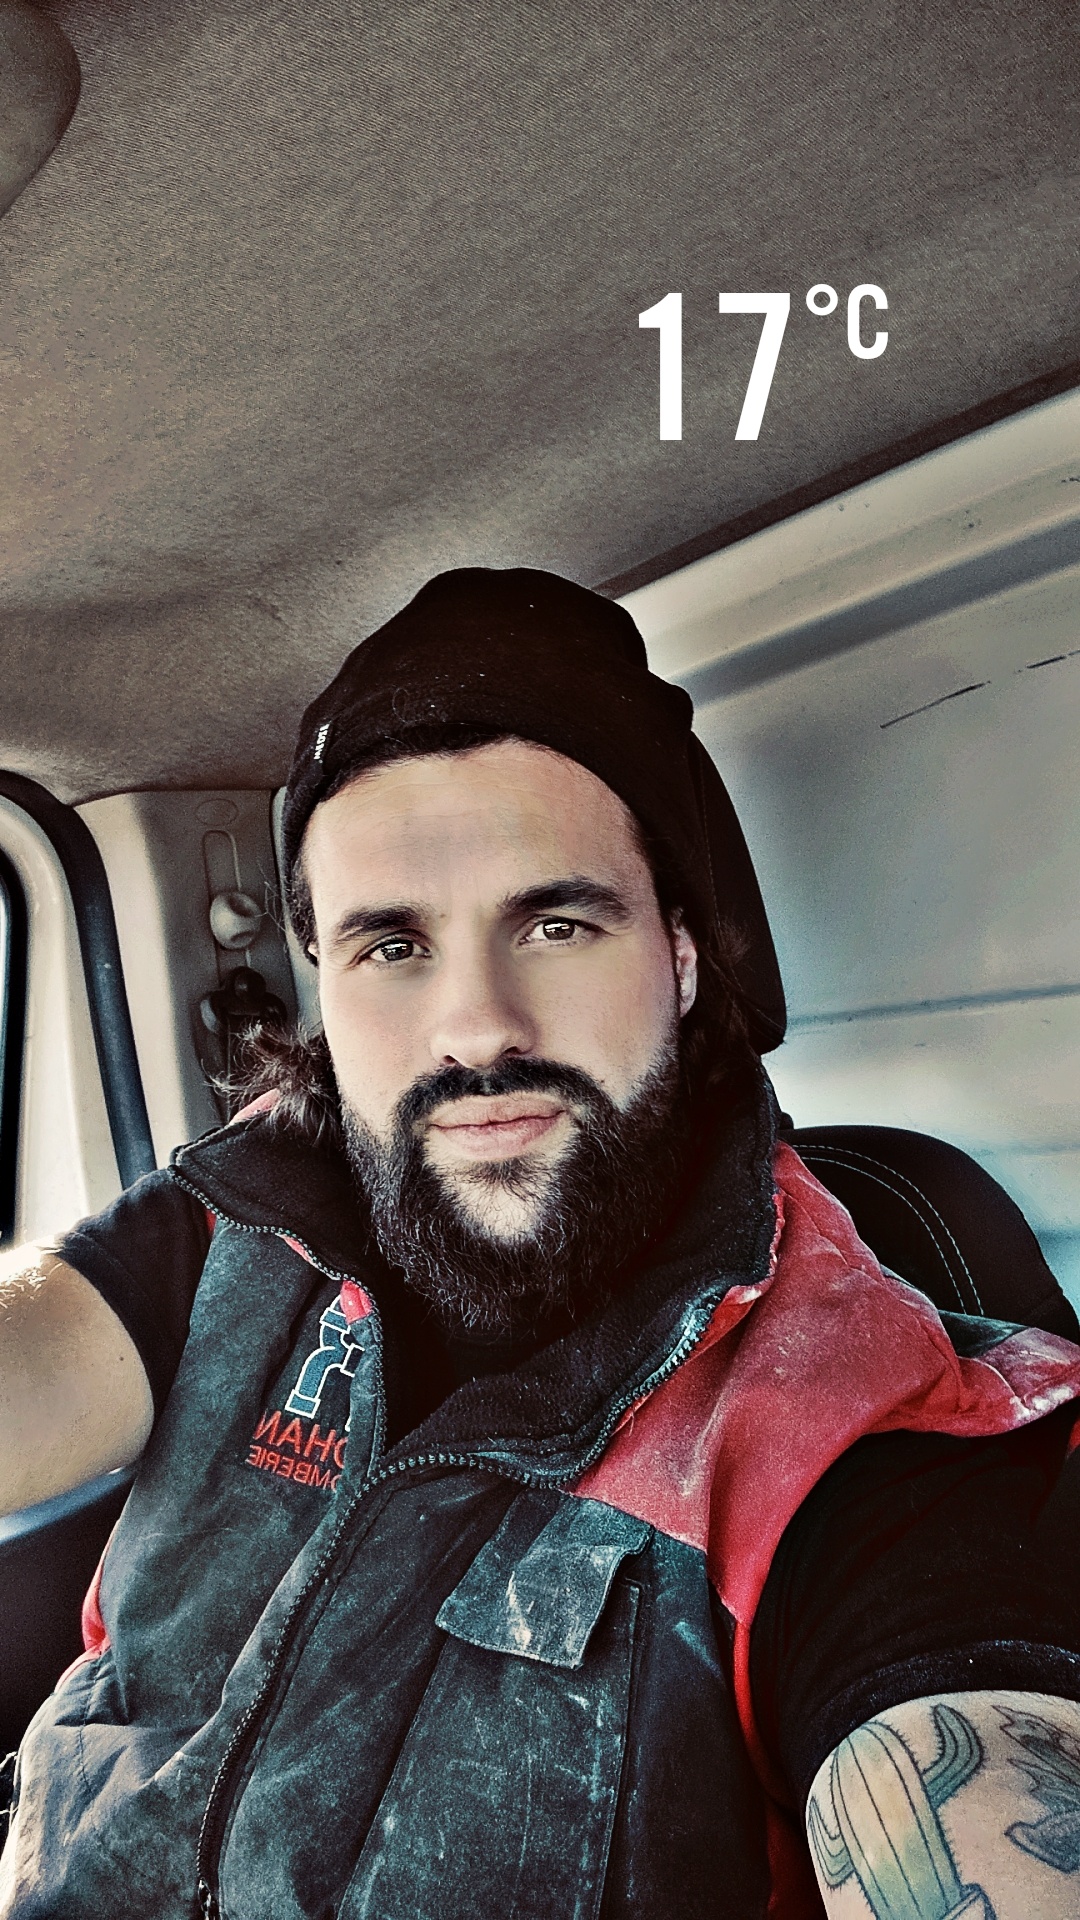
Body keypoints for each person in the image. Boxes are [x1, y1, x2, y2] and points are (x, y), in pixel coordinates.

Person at [2, 566, 1080, 1920]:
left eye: (557, 924)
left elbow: (979, 1783)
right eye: (391, 946)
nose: (475, 1028)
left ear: (683, 956)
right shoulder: (238, 1218)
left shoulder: (855, 1434)